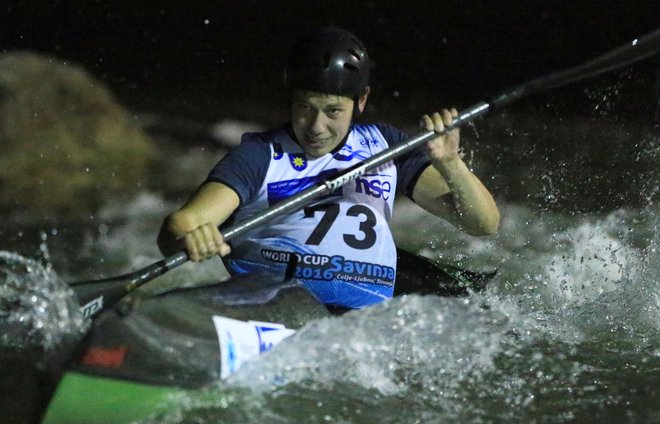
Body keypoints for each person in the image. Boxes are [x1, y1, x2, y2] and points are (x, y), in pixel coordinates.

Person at [157, 26, 499, 310]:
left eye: (333, 111)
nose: (316, 126)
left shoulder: (386, 145)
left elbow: (483, 224)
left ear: (361, 100)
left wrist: (451, 164)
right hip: (286, 303)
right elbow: (181, 224)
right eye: (305, 107)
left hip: (370, 318)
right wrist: (192, 235)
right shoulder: (260, 156)